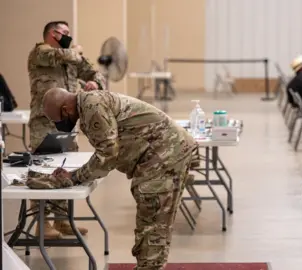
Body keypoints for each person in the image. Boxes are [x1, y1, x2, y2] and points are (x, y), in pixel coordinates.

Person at [43, 88, 198, 270]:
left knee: (153, 223)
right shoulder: (88, 103)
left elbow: (108, 153)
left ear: (65, 110)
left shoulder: (92, 106)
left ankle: (150, 267)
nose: (58, 126)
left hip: (164, 155)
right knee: (152, 222)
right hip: (160, 154)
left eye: (57, 121)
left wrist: (76, 176)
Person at [27, 21, 106, 239]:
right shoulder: (40, 53)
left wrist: (94, 84)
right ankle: (42, 224)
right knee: (42, 170)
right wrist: (75, 51)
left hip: (67, 121)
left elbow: (93, 72)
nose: (68, 36)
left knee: (66, 169)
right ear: (52, 34)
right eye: (64, 33)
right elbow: (67, 56)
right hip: (43, 123)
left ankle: (62, 220)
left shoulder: (71, 54)